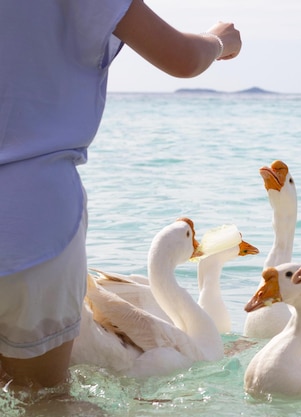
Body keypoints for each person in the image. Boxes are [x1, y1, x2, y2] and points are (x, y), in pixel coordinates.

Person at [0, 0, 241, 395]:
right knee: (43, 399)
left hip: (36, 220)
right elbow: (181, 58)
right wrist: (219, 40)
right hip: (34, 220)